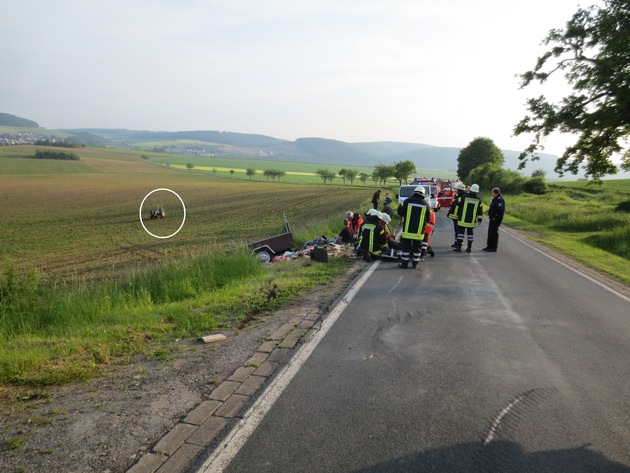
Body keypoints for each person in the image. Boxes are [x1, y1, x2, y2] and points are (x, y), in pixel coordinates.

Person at [397, 185, 430, 268]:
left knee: (406, 247)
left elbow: (400, 212)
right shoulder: (426, 204)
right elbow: (428, 218)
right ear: (423, 194)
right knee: (417, 248)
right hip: (419, 232)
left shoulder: (407, 201)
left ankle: (404, 264)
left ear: (414, 192)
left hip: (407, 230)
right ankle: (415, 264)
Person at [453, 183, 483, 253]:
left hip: (462, 220)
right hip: (471, 221)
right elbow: (480, 211)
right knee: (470, 233)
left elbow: (456, 202)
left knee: (460, 233)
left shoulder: (464, 197)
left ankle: (459, 248)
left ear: (470, 190)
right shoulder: (479, 200)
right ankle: (469, 248)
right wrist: (479, 219)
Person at [483, 187, 505, 252]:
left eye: (492, 192)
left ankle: (493, 247)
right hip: (492, 218)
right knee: (490, 232)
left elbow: (499, 209)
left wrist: (495, 216)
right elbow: (492, 207)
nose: (491, 193)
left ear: (495, 192)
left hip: (496, 218)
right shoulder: (494, 199)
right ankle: (489, 245)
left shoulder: (499, 199)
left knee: (494, 232)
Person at [447, 182, 466, 247]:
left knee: (458, 230)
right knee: (458, 230)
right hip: (459, 216)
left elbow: (455, 206)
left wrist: (450, 213)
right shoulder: (461, 197)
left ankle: (458, 242)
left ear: (459, 190)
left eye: (458, 190)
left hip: (458, 216)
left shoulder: (461, 198)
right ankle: (457, 242)